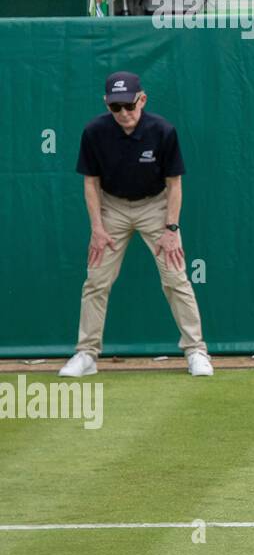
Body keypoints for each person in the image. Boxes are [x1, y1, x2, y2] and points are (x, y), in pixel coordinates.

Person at [60, 71, 213, 378]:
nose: (124, 114)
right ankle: (87, 354)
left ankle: (196, 350)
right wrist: (97, 228)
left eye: (129, 105)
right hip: (111, 208)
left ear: (142, 99)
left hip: (156, 206)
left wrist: (171, 229)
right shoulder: (94, 132)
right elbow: (91, 183)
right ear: (107, 105)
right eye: (116, 108)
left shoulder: (163, 131)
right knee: (96, 281)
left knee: (175, 277)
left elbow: (175, 184)